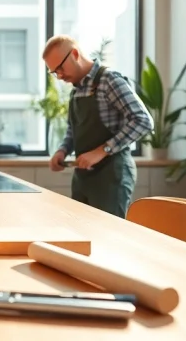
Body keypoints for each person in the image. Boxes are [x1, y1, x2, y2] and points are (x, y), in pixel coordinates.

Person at [42, 35, 153, 219]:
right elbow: (73, 129)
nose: (60, 76)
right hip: (83, 178)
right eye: (54, 72)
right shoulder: (77, 90)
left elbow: (143, 120)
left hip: (112, 177)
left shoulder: (109, 80)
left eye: (60, 68)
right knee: (81, 237)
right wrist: (62, 150)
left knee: (109, 239)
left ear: (75, 54)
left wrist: (102, 150)